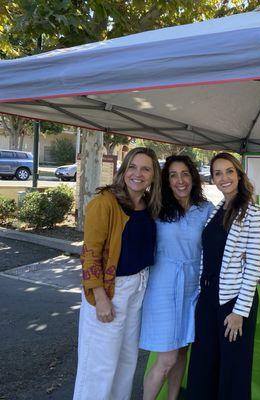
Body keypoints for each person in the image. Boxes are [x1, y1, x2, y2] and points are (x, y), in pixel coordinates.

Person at [73, 147, 161, 400]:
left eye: (146, 168)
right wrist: (100, 297)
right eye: (133, 167)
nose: (138, 174)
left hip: (138, 286)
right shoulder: (105, 202)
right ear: (124, 170)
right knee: (99, 365)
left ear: (154, 175)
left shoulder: (148, 205)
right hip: (110, 289)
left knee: (126, 361)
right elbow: (90, 253)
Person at [187, 152, 260, 400]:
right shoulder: (218, 209)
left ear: (239, 174)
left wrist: (239, 311)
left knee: (232, 370)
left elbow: (253, 267)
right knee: (203, 364)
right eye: (218, 173)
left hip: (233, 303)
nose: (224, 178)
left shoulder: (254, 213)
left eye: (229, 171)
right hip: (208, 297)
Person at [140, 155, 214, 400]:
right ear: (166, 180)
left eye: (185, 174)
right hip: (163, 284)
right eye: (173, 175)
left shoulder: (205, 210)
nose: (180, 180)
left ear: (193, 177)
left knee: (183, 351)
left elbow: (217, 244)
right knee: (167, 357)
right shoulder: (156, 207)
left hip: (193, 286)